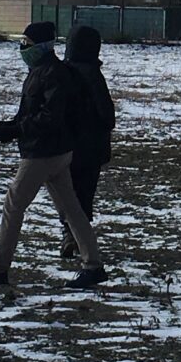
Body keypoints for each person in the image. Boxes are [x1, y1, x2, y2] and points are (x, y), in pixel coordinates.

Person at [0, 21, 106, 292]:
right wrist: (11, 126)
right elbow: (37, 113)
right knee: (72, 209)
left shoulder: (50, 74)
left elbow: (49, 118)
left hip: (43, 153)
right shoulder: (45, 70)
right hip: (56, 152)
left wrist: (16, 130)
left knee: (13, 204)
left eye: (26, 44)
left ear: (41, 46)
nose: (22, 48)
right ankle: (93, 266)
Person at [58, 23, 116, 260]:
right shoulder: (94, 74)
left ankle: (70, 233)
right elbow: (107, 115)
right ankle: (77, 237)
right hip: (92, 149)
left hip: (68, 145)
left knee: (67, 195)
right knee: (84, 194)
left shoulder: (63, 73)